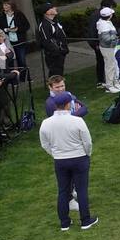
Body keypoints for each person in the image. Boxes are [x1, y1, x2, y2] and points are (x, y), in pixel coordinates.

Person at [39, 92, 96, 232]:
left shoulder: (46, 123)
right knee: (81, 190)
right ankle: (85, 221)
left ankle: (64, 223)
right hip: (79, 159)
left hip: (60, 161)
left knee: (63, 191)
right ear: (68, 104)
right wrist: (87, 154)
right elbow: (87, 142)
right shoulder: (77, 121)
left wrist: (55, 154)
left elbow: (44, 144)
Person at [37, 3, 69, 78]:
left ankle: (59, 87)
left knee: (59, 72)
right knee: (55, 74)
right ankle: (54, 88)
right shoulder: (44, 25)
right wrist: (58, 51)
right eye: (52, 8)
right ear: (47, 12)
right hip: (53, 55)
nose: (55, 8)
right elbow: (47, 41)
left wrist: (64, 49)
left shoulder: (55, 22)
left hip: (60, 53)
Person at [95, 6, 119, 93]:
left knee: (113, 65)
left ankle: (115, 82)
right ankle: (110, 85)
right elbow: (106, 38)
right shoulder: (103, 25)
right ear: (109, 15)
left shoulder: (106, 22)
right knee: (110, 66)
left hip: (110, 47)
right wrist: (115, 37)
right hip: (108, 48)